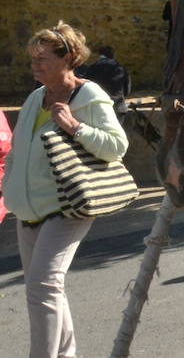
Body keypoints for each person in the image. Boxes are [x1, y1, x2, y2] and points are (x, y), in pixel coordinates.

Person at [4, 22, 128, 358]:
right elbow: (17, 149)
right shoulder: (35, 97)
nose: (35, 65)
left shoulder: (88, 94)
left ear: (68, 58)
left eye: (43, 58)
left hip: (68, 205)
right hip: (29, 211)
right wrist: (10, 188)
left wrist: (75, 126)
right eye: (33, 58)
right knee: (48, 288)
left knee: (42, 286)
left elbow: (117, 146)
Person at [75, 45, 130, 115]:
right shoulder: (121, 69)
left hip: (99, 107)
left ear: (100, 55)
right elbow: (127, 90)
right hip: (118, 106)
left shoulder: (91, 69)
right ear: (113, 55)